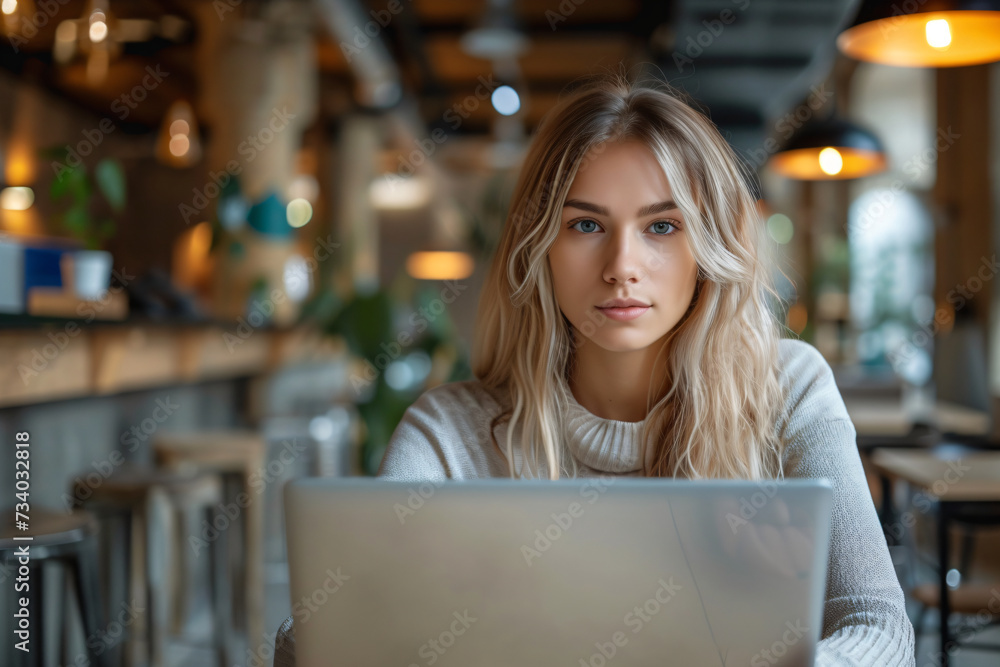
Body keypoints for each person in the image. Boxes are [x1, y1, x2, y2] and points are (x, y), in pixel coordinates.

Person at [273, 75, 915, 666]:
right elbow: (314, 642)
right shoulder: (450, 433)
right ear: (539, 246)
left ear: (708, 245)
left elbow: (879, 628)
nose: (621, 265)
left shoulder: (789, 388)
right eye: (585, 224)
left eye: (662, 226)